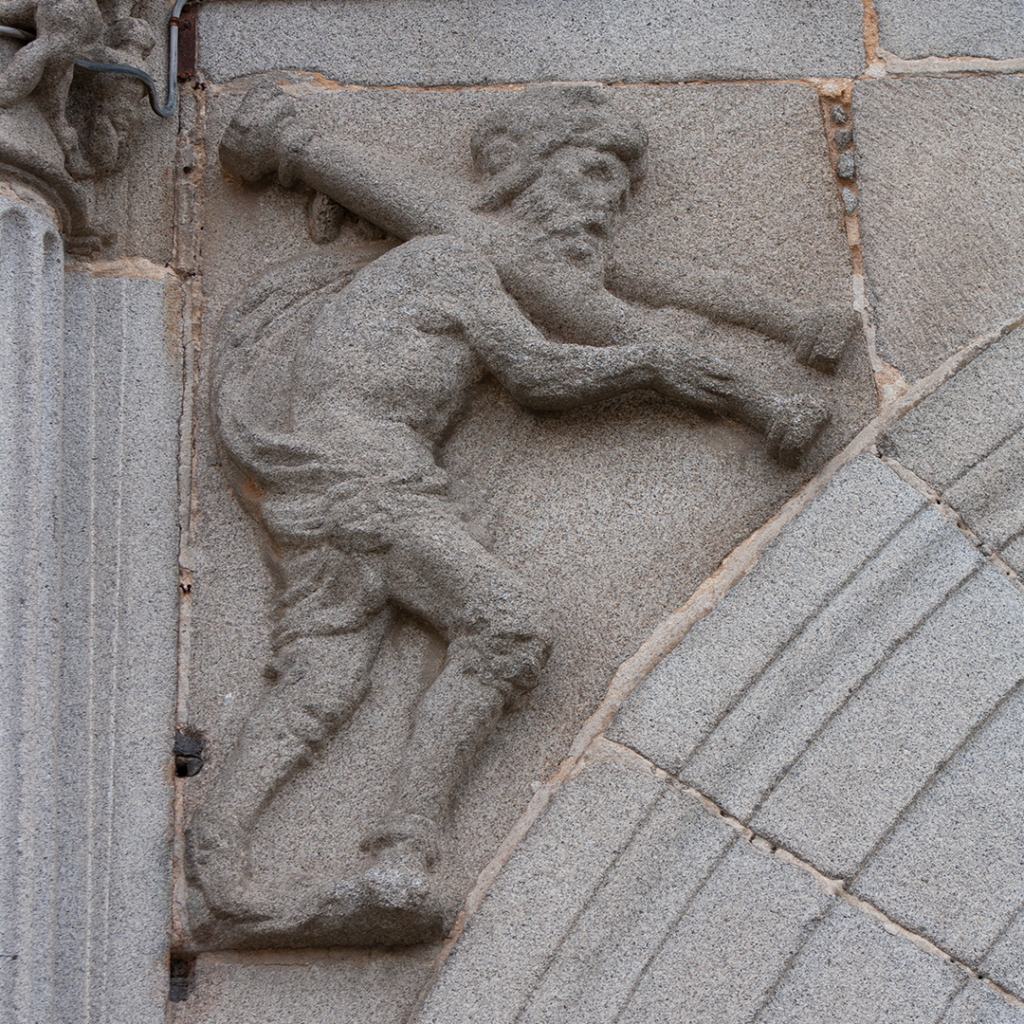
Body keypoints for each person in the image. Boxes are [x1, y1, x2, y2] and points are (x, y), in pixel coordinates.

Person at [189, 82, 846, 943]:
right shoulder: (455, 259)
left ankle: (222, 875)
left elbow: (636, 289)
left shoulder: (477, 261)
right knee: (506, 630)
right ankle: (401, 854)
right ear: (525, 176)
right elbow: (538, 372)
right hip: (365, 482)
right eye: (589, 173)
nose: (606, 199)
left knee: (325, 679)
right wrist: (650, 366)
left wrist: (769, 329)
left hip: (334, 485)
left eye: (620, 184)